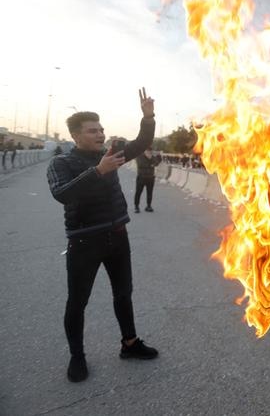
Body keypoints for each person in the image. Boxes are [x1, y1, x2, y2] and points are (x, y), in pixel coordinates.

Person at [47, 88, 159, 383]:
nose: (100, 134)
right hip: (85, 242)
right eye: (92, 130)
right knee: (77, 302)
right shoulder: (61, 163)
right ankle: (77, 356)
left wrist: (148, 117)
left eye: (101, 129)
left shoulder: (111, 155)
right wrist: (98, 171)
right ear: (75, 136)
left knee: (123, 294)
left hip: (118, 237)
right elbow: (62, 194)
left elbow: (143, 143)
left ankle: (130, 344)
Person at [134, 148, 158, 213]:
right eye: (147, 151)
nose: (149, 153)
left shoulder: (152, 157)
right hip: (141, 177)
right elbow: (141, 165)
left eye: (150, 151)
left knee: (149, 193)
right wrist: (151, 163)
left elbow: (156, 163)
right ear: (144, 151)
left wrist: (152, 161)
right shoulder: (139, 156)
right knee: (138, 192)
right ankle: (136, 206)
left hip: (150, 177)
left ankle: (148, 206)